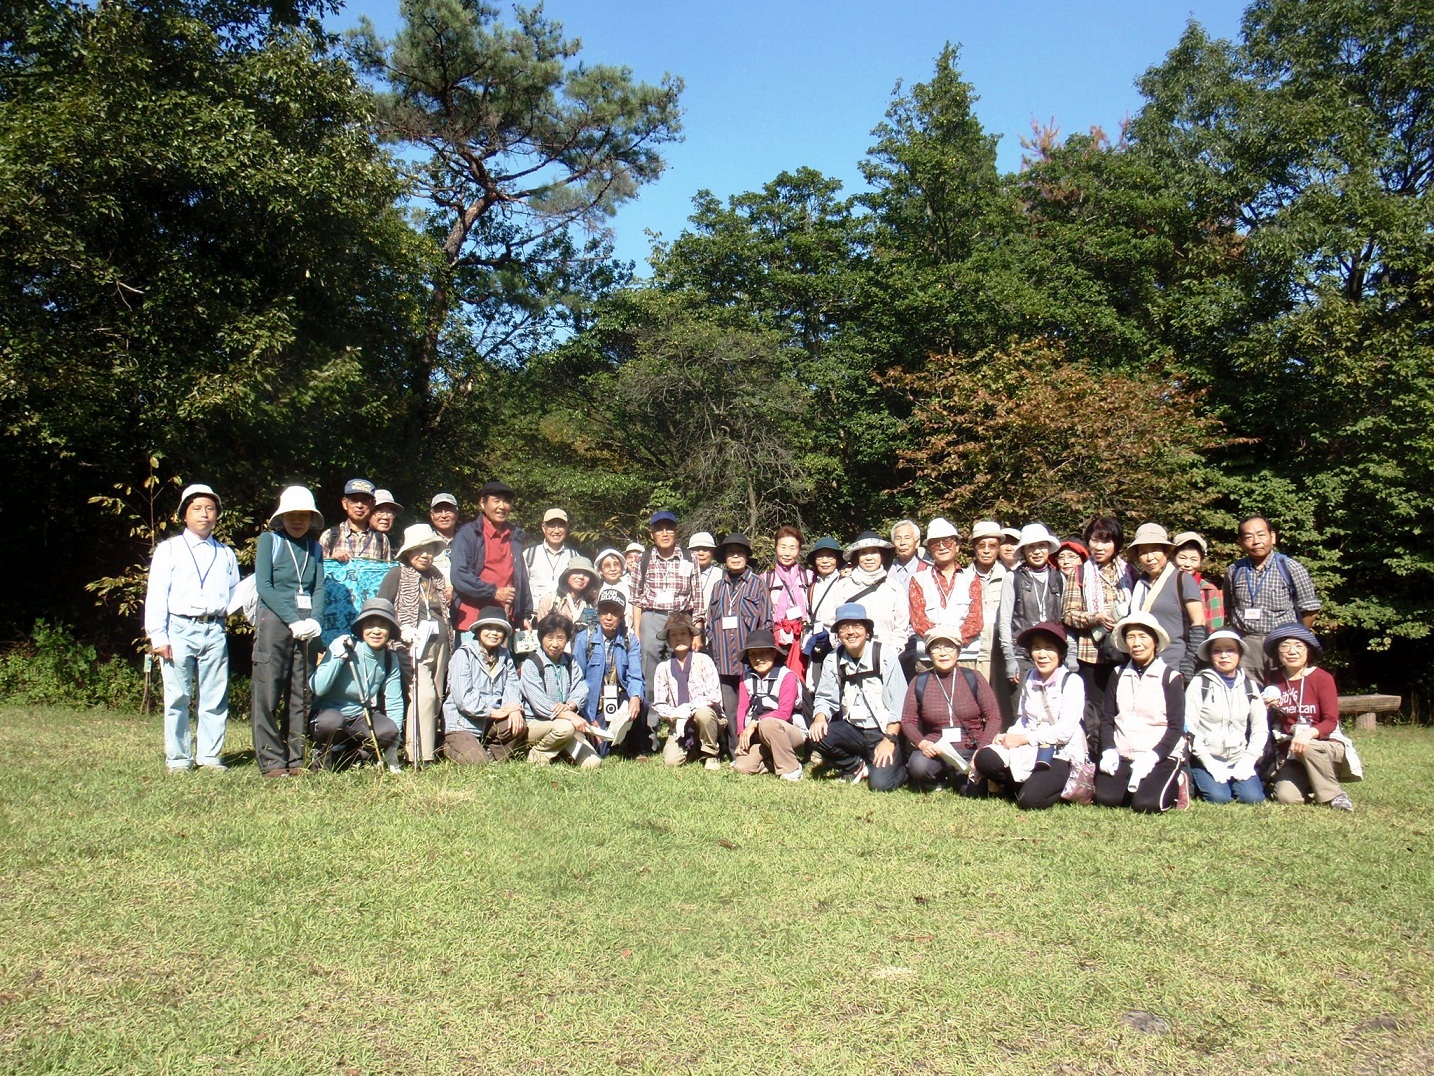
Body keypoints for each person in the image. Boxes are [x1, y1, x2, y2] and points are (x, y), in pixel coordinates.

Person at [144, 483, 241, 772]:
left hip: (214, 629)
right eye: (197, 508)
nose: (204, 514)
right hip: (179, 628)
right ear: (184, 514)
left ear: (217, 515)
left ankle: (209, 756)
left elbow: (235, 593)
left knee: (214, 696)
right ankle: (178, 758)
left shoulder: (225, 553)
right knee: (177, 696)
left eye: (210, 509)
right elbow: (157, 594)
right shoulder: (169, 549)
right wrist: (158, 636)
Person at [252, 485, 326, 778]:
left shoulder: (315, 547)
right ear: (281, 517)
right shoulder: (269, 541)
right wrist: (291, 619)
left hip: (307, 627)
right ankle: (271, 760)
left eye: (304, 515)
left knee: (301, 692)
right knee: (268, 691)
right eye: (292, 515)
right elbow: (263, 586)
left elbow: (318, 587)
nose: (297, 521)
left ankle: (297, 758)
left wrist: (315, 619)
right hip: (275, 622)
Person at [972, 622, 1086, 809]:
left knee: (1029, 802)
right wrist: (1008, 736)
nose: (1042, 654)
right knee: (985, 758)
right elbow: (1024, 719)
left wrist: (1022, 739)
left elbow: (1064, 732)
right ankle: (1028, 785)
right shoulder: (1030, 677)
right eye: (1037, 648)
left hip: (1060, 752)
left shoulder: (1072, 682)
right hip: (1030, 748)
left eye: (1049, 648)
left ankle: (1046, 787)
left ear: (1060, 653)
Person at [808, 603, 909, 789]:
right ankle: (856, 765)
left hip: (882, 731)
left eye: (857, 626)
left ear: (867, 631)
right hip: (853, 729)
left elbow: (900, 703)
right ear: (838, 634)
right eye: (844, 627)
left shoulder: (885, 655)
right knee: (816, 735)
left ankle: (901, 767)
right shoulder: (833, 659)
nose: (850, 632)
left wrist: (889, 740)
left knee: (880, 785)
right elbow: (825, 697)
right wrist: (820, 717)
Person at [1094, 611, 1186, 813]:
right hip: (1123, 754)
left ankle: (1177, 780)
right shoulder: (1118, 674)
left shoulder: (1170, 677)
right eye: (1131, 637)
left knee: (1146, 804)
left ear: (1155, 641)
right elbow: (1107, 718)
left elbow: (1176, 727)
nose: (1136, 643)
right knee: (1106, 798)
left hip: (1158, 755)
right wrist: (1109, 749)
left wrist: (1153, 756)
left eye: (1143, 636)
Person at [378, 524, 452, 766]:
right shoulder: (397, 574)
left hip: (440, 644)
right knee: (424, 695)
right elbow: (382, 608)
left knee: (437, 696)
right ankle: (418, 756)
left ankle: (428, 748)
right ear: (408, 552)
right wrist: (400, 630)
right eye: (419, 550)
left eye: (429, 549)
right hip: (410, 646)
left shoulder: (436, 576)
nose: (425, 555)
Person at [1262, 623, 1357, 811]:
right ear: (1277, 652)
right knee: (1286, 797)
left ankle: (1335, 795)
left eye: (1299, 646)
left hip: (1323, 745)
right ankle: (1315, 784)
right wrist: (1264, 708)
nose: (1292, 651)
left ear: (1309, 650)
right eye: (1285, 646)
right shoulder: (1273, 678)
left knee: (1309, 746)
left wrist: (1308, 734)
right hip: (1292, 751)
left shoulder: (1322, 678)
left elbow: (1330, 721)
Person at [1064, 516, 1136, 757]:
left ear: (1116, 543)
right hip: (1091, 654)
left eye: (1106, 541)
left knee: (1122, 706)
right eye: (1095, 540)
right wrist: (1095, 617)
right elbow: (1068, 614)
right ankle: (1096, 757)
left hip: (1124, 652)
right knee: (1094, 711)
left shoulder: (1129, 572)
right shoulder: (1080, 573)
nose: (1099, 546)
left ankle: (1121, 754)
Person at [900, 624, 1001, 792]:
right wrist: (922, 743)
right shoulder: (919, 681)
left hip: (971, 747)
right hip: (937, 748)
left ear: (958, 651)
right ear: (929, 653)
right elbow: (908, 721)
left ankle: (959, 776)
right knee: (918, 766)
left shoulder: (974, 678)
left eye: (949, 647)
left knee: (972, 791)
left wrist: (982, 749)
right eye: (936, 648)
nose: (943, 653)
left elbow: (994, 717)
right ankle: (941, 777)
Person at [310, 598, 405, 771]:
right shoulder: (345, 646)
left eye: (382, 626)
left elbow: (394, 701)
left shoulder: (390, 658)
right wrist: (337, 658)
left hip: (360, 717)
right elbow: (318, 688)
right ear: (361, 629)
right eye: (370, 625)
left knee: (389, 730)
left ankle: (350, 755)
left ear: (390, 630)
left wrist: (393, 745)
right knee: (331, 722)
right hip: (329, 714)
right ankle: (322, 755)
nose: (376, 631)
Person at [1223, 516, 1320, 679]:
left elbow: (1310, 609)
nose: (1256, 541)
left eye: (1261, 535)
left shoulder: (1291, 568)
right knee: (1248, 690)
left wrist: (1295, 638)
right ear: (1241, 542)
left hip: (1281, 643)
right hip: (1246, 643)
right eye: (1249, 537)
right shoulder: (1234, 570)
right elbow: (1229, 606)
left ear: (1272, 537)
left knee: (1282, 690)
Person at [706, 533, 773, 747]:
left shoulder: (758, 584)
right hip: (724, 659)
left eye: (740, 553)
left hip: (750, 660)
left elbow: (767, 622)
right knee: (730, 708)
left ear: (746, 557)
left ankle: (756, 747)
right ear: (725, 558)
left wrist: (761, 654)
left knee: (753, 705)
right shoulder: (718, 587)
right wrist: (713, 642)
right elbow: (710, 622)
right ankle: (735, 749)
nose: (735, 557)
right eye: (731, 553)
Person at [1185, 630, 1267, 804]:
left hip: (1239, 757)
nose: (1224, 655)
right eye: (1217, 651)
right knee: (1219, 798)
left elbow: (1260, 727)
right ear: (1210, 655)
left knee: (1253, 798)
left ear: (1239, 654)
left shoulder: (1250, 686)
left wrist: (1249, 760)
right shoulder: (1200, 683)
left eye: (1230, 650)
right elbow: (1189, 727)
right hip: (1207, 757)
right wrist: (1208, 762)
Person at [441, 605, 526, 766]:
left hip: (490, 723)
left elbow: (512, 685)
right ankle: (448, 746)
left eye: (499, 629)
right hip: (462, 723)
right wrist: (493, 712)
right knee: (478, 763)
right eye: (489, 628)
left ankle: (490, 753)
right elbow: (463, 698)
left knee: (517, 724)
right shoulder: (463, 654)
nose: (494, 633)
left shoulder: (505, 655)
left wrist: (514, 708)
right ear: (479, 630)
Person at [450, 480, 532, 644]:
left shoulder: (514, 536)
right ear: (483, 503)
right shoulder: (469, 534)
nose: (502, 506)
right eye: (496, 501)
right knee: (470, 660)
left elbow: (520, 577)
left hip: (504, 622)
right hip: (472, 621)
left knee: (503, 661)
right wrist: (494, 592)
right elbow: (459, 575)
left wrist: (523, 614)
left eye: (506, 501)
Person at [633, 510, 703, 700]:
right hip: (652, 617)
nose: (664, 533)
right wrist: (637, 632)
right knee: (650, 668)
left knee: (683, 665)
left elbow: (698, 598)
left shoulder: (690, 558)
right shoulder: (643, 559)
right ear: (652, 534)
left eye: (669, 529)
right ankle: (652, 716)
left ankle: (684, 712)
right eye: (659, 529)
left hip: (681, 617)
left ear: (676, 531)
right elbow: (636, 599)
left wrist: (697, 632)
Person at [1126, 523, 1208, 683]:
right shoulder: (1138, 584)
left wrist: (1188, 663)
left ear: (1165, 552)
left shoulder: (1182, 579)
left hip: (1174, 665)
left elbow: (1198, 623)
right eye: (1143, 552)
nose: (1149, 557)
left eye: (1155, 550)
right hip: (1141, 666)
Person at [519, 612, 599, 768]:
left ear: (567, 640)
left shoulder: (570, 661)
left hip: (565, 721)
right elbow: (540, 704)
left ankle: (557, 752)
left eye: (560, 638)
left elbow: (581, 688)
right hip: (536, 723)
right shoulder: (531, 663)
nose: (555, 644)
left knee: (593, 763)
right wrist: (569, 715)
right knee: (565, 728)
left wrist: (570, 705)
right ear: (541, 638)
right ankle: (537, 755)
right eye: (549, 637)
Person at [574, 589, 645, 755]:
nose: (608, 617)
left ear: (621, 616)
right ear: (598, 613)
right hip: (593, 703)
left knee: (643, 702)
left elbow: (635, 675)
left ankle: (635, 747)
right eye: (604, 611)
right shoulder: (584, 638)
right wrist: (588, 718)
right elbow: (577, 681)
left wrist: (635, 697)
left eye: (614, 612)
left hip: (619, 698)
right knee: (600, 750)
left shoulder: (630, 640)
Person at [908, 517, 982, 676]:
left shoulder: (971, 578)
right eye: (936, 543)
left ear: (957, 545)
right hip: (928, 658)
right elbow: (918, 621)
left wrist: (953, 644)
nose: (942, 547)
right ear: (929, 549)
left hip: (965, 656)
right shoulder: (918, 580)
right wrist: (939, 646)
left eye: (947, 542)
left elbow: (976, 620)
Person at [650, 613, 724, 769]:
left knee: (704, 713)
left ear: (691, 637)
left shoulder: (704, 660)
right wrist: (675, 713)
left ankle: (711, 754)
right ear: (668, 640)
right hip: (679, 724)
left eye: (683, 633)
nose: (679, 638)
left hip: (706, 719)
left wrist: (689, 708)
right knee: (671, 762)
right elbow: (659, 703)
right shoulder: (663, 668)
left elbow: (714, 696)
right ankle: (693, 749)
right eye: (674, 635)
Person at [732, 628, 807, 780]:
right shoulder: (745, 677)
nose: (758, 659)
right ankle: (773, 761)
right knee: (742, 767)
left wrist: (754, 724)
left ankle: (792, 768)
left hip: (787, 730)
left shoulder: (787, 676)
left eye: (763, 653)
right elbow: (742, 708)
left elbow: (785, 712)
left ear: (774, 653)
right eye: (753, 654)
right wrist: (742, 734)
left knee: (768, 724)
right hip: (760, 735)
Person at [998, 523, 1066, 687]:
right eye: (1031, 547)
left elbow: (1066, 619)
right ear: (1023, 551)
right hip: (1021, 654)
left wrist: (1070, 653)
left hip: (1052, 654)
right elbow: (1004, 621)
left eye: (1041, 545)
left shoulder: (1059, 578)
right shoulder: (1012, 578)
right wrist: (1010, 658)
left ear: (1048, 548)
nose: (1037, 552)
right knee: (1022, 702)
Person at [957, 521, 1012, 722]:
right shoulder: (962, 577)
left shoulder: (1009, 577)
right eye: (982, 545)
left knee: (996, 703)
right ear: (974, 547)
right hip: (969, 650)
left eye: (992, 546)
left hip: (997, 652)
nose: (987, 551)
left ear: (999, 548)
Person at [836, 532, 909, 654]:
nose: (869, 558)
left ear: (882, 557)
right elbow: (833, 622)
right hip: (850, 654)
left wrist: (891, 653)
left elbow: (901, 626)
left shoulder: (894, 588)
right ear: (857, 558)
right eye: (863, 553)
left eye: (874, 552)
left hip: (888, 654)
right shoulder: (843, 587)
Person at [764, 524, 813, 676]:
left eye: (792, 548)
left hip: (801, 636)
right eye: (783, 547)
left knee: (799, 676)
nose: (787, 553)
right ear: (775, 548)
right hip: (776, 636)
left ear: (799, 550)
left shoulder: (808, 577)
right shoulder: (766, 578)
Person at [319, 478, 391, 563]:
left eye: (364, 500)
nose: (359, 505)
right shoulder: (329, 536)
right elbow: (319, 569)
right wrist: (331, 560)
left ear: (372, 504)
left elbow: (387, 570)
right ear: (344, 503)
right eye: (354, 500)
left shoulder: (382, 540)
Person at [524, 508, 579, 618]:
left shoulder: (574, 556)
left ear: (567, 528)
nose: (556, 531)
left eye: (561, 526)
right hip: (534, 616)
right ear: (543, 528)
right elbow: (520, 587)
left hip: (564, 618)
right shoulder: (529, 554)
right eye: (552, 526)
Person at [1173, 531, 1224, 631]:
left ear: (1200, 562)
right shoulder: (1161, 585)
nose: (1187, 564)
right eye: (1182, 558)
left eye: (1193, 559)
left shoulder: (1208, 590)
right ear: (1173, 557)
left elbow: (1216, 627)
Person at [545, 556, 601, 636]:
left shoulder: (592, 604)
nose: (581, 577)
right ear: (567, 575)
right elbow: (543, 633)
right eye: (576, 572)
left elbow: (594, 631)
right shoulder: (550, 601)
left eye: (586, 574)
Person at [884, 519, 929, 604]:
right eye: (898, 538)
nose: (902, 543)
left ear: (917, 542)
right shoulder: (885, 571)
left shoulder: (928, 570)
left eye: (907, 538)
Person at [594, 547, 637, 632]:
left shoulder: (632, 589)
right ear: (600, 570)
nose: (613, 569)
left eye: (616, 565)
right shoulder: (595, 593)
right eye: (607, 566)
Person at [427, 492, 461, 591]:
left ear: (457, 514)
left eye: (448, 510)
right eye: (438, 511)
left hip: (462, 595)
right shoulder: (424, 542)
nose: (443, 515)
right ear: (432, 515)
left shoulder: (466, 541)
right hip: (431, 595)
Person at [688, 531, 722, 628]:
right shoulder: (683, 573)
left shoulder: (721, 575)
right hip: (686, 628)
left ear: (712, 552)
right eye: (696, 550)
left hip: (713, 627)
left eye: (706, 549)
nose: (701, 553)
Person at [369, 489, 402, 557]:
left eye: (390, 512)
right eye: (379, 511)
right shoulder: (358, 540)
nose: (385, 517)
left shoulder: (394, 545)